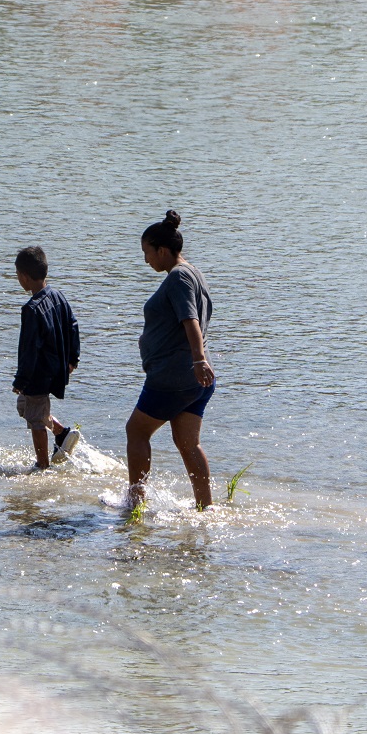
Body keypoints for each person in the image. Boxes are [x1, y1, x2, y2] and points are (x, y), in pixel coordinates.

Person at [125, 210, 215, 511]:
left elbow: (190, 319)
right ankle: (206, 507)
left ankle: (135, 502)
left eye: (147, 253)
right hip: (193, 380)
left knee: (136, 431)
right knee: (188, 443)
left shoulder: (178, 277)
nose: (146, 260)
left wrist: (198, 359)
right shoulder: (193, 272)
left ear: (162, 250)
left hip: (174, 377)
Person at [12, 245, 82, 470]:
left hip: (38, 372)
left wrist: (21, 380)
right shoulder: (57, 296)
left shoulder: (31, 309)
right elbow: (73, 325)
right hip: (55, 367)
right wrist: (73, 359)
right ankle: (62, 433)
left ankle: (42, 466)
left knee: (35, 418)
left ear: (23, 276)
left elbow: (29, 348)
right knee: (26, 406)